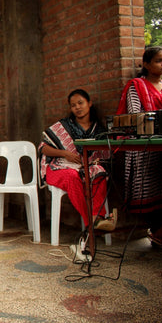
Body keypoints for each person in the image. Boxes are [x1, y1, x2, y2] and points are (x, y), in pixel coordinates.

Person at [39, 89, 112, 230]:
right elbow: (43, 148)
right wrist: (65, 154)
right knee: (72, 176)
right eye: (73, 105)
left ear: (89, 103)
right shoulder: (63, 126)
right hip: (59, 167)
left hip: (85, 167)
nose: (77, 107)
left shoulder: (99, 130)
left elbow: (104, 156)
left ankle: (98, 216)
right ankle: (91, 223)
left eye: (80, 103)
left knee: (99, 172)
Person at [116, 46, 162, 246]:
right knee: (152, 194)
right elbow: (136, 117)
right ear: (146, 64)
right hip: (146, 149)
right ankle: (157, 233)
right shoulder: (137, 86)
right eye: (158, 60)